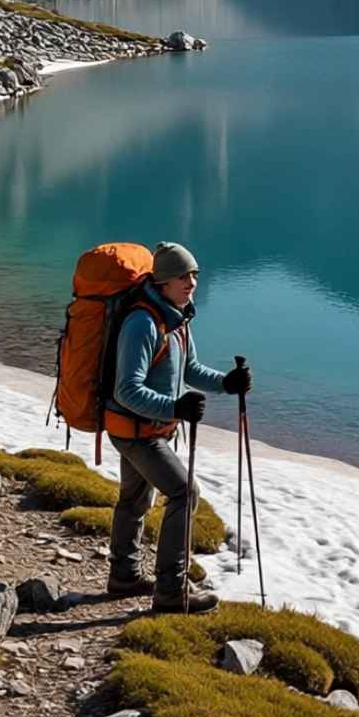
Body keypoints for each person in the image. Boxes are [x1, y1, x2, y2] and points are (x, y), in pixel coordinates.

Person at [105, 241, 251, 613]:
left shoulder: (177, 317)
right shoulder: (142, 323)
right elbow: (126, 390)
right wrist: (175, 406)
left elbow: (189, 370)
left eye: (194, 276)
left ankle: (124, 576)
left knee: (135, 499)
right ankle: (171, 591)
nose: (191, 283)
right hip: (134, 430)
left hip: (148, 428)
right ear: (163, 280)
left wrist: (226, 382)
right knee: (185, 493)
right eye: (183, 276)